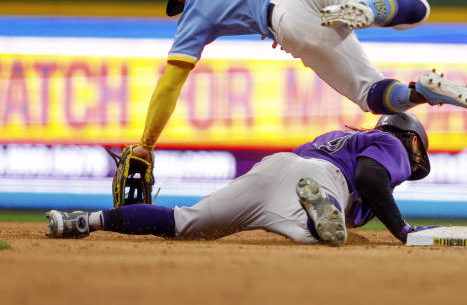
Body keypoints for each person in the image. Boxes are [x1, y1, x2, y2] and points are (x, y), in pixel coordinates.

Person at [127, 0, 467, 166]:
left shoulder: (195, 6)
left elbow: (170, 83)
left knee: (370, 94)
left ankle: (420, 92)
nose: (180, 0)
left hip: (286, 19)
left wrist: (147, 142)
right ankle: (371, 11)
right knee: (415, 5)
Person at [46, 113, 440, 246]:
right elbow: (371, 177)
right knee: (327, 238)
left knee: (184, 224)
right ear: (411, 138)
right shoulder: (392, 141)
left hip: (278, 168)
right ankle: (316, 219)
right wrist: (401, 230)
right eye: (418, 151)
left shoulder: (344, 138)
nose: (415, 162)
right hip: (323, 179)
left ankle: (83, 221)